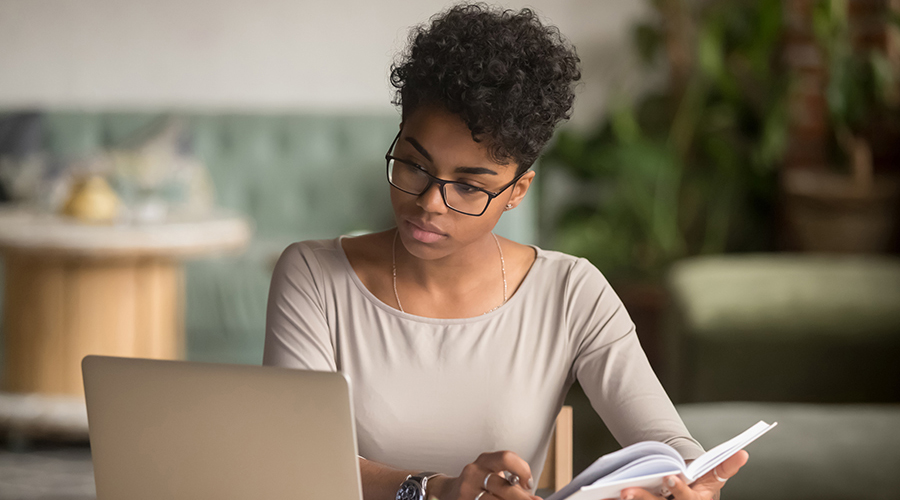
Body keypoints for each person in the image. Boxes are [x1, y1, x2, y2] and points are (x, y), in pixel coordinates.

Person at [263, 4, 748, 500]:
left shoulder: (570, 292)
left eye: (470, 187)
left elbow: (666, 444)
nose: (430, 203)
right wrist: (436, 491)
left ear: (518, 191)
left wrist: (688, 483)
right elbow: (295, 460)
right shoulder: (314, 276)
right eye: (413, 165)